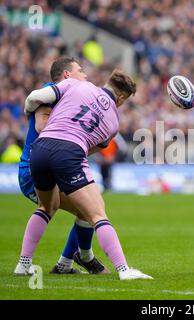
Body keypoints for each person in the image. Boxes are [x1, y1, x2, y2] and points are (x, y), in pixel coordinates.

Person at [15, 69, 152, 280]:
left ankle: (24, 264)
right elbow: (91, 149)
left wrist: (28, 111)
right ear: (121, 98)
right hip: (69, 152)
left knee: (46, 207)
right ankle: (124, 270)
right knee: (97, 213)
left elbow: (35, 97)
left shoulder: (76, 85)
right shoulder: (114, 123)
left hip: (39, 149)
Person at [16, 57, 109, 275]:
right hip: (34, 168)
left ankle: (65, 264)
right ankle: (31, 263)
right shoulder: (50, 91)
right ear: (67, 75)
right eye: (80, 70)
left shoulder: (69, 97)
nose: (85, 75)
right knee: (78, 209)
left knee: (88, 211)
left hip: (54, 165)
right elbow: (41, 126)